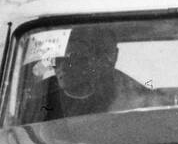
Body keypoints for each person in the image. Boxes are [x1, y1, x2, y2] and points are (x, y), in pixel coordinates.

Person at [19, 25, 154, 123]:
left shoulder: (134, 95)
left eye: (79, 57)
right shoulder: (41, 96)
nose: (62, 66)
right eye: (59, 58)